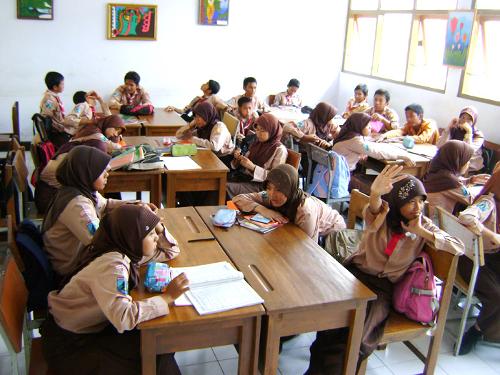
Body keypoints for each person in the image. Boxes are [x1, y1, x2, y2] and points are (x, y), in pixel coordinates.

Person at [305, 167, 464, 375]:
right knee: (332, 324)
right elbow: (373, 209)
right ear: (398, 202)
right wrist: (375, 194)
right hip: (356, 275)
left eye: (421, 201)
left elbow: (458, 247)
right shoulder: (384, 215)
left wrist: (422, 232)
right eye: (410, 202)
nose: (417, 207)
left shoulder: (422, 225)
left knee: (360, 335)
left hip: (383, 289)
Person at [41, 204, 189, 375]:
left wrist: (157, 225)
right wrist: (167, 298)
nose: (156, 238)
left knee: (162, 343)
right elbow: (124, 316)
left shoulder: (122, 248)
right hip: (70, 347)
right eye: (150, 234)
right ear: (133, 237)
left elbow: (171, 250)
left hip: (89, 330)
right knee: (156, 348)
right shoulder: (113, 266)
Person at [42, 146, 170, 278]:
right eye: (100, 171)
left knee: (145, 246)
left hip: (82, 255)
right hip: (71, 268)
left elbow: (105, 204)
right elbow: (99, 240)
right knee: (154, 251)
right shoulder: (77, 204)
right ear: (87, 173)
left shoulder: (82, 190)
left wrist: (137, 206)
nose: (107, 173)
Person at [233, 164, 346, 242]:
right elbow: (238, 199)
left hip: (333, 234)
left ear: (290, 189)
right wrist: (264, 210)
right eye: (269, 187)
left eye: (280, 189)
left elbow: (309, 247)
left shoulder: (305, 210)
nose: (272, 194)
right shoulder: (268, 196)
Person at [456, 162, 500, 354]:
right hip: (474, 261)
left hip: (492, 261)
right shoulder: (488, 202)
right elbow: (466, 218)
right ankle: (476, 330)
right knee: (497, 296)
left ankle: (489, 329)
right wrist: (493, 236)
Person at [423, 140, 489, 218]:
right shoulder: (450, 181)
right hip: (437, 222)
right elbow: (472, 200)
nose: (468, 164)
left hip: (426, 217)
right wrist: (489, 193)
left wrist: (470, 180)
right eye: (467, 160)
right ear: (457, 160)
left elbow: (453, 186)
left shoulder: (436, 171)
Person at [227, 113, 287, 197]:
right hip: (246, 178)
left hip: (262, 188)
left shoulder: (280, 150)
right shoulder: (257, 143)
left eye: (262, 130)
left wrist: (253, 167)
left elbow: (275, 178)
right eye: (257, 129)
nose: (258, 133)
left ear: (272, 130)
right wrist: (238, 158)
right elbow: (244, 164)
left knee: (224, 187)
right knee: (218, 181)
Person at [331, 113, 414, 172]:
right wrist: (402, 156)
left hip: (334, 172)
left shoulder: (346, 134)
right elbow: (377, 153)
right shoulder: (355, 141)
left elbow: (364, 146)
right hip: (340, 176)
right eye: (367, 125)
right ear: (359, 126)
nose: (370, 127)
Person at [40, 72, 94, 146]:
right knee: (94, 136)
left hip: (64, 129)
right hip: (59, 133)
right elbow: (47, 118)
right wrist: (85, 121)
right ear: (55, 87)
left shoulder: (54, 97)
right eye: (62, 84)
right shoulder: (50, 100)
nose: (63, 86)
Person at [437, 106, 485, 172]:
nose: (465, 121)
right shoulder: (455, 129)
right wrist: (448, 128)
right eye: (463, 117)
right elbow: (440, 146)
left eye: (469, 119)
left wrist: (469, 132)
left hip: (469, 166)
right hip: (450, 162)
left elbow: (467, 152)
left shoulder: (478, 135)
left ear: (474, 122)